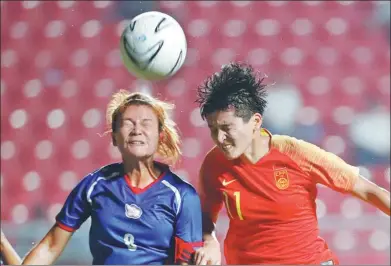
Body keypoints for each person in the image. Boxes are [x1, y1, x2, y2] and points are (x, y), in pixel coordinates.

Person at [192, 62, 391, 265]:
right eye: (213, 129)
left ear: (255, 121)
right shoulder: (214, 163)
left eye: (227, 127)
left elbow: (367, 190)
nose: (219, 137)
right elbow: (205, 215)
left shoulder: (295, 153)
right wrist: (209, 241)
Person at [4, 90, 202, 265]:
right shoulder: (94, 185)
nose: (137, 130)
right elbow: (51, 247)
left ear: (160, 135)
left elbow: (187, 264)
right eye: (128, 123)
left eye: (146, 123)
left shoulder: (182, 196)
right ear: (114, 136)